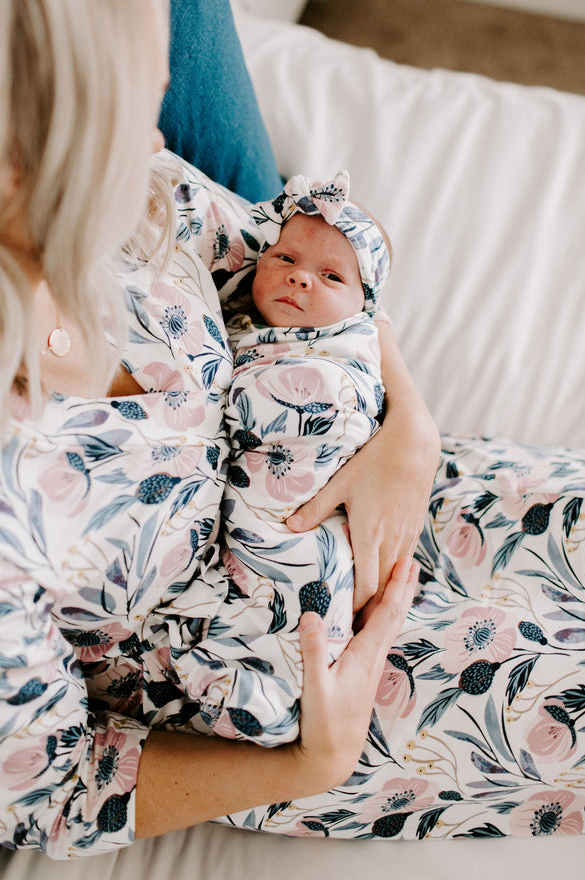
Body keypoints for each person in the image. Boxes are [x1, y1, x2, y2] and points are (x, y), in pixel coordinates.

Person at [0, 0, 429, 866]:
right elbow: (52, 789)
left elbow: (306, 266)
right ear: (15, 163)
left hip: (398, 506)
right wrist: (310, 763)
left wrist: (406, 433)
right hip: (289, 690)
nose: (163, 134)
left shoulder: (139, 204)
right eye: (135, 108)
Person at [151, 172, 391, 742]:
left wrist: (226, 398)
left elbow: (323, 403)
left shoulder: (343, 357)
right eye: (284, 257)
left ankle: (268, 689)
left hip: (296, 508)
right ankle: (253, 680)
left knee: (288, 596)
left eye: (331, 276)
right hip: (243, 526)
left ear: (364, 307)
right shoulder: (247, 322)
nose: (300, 277)